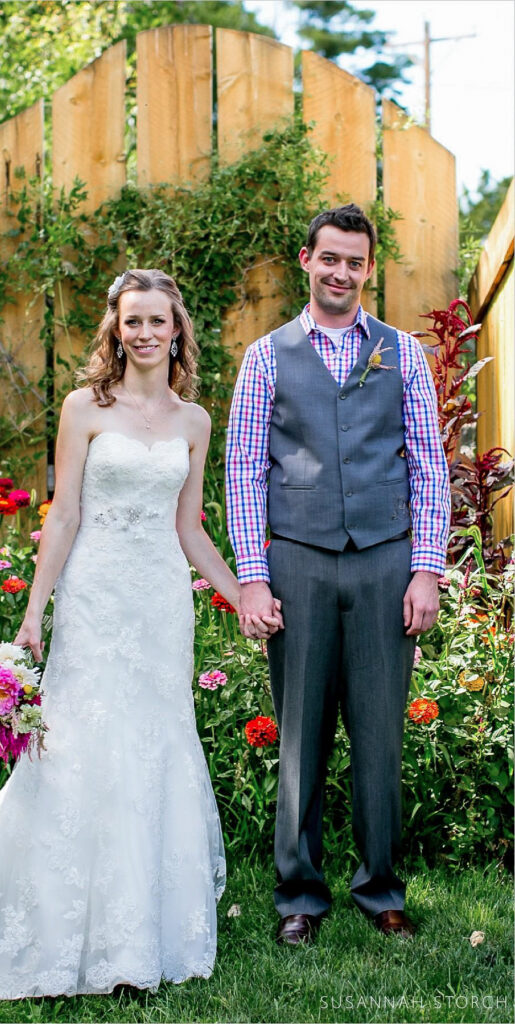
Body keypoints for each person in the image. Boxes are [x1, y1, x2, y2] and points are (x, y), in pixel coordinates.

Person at [0, 268, 279, 998]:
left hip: (159, 606)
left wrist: (246, 593)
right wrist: (34, 612)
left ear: (177, 330)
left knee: (153, 744)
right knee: (81, 747)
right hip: (95, 600)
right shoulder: (83, 409)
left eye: (159, 321)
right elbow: (62, 515)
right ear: (115, 331)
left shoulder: (194, 421)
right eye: (133, 321)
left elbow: (189, 527)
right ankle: (65, 926)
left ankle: (139, 931)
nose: (146, 333)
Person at [226, 204, 450, 946]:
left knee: (380, 731)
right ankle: (299, 894)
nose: (341, 273)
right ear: (306, 260)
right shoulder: (266, 356)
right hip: (297, 559)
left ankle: (380, 888)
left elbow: (428, 465)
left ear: (367, 268)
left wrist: (426, 572)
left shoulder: (400, 353)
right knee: (300, 734)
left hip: (386, 558)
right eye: (330, 259)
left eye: (354, 262)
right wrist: (253, 580)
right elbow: (243, 471)